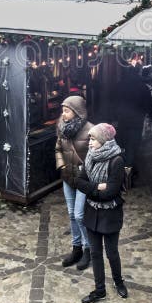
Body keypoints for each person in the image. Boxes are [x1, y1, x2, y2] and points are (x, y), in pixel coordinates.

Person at [75, 123, 128, 303]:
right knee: (96, 254)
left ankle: (118, 282)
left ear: (104, 140)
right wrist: (98, 187)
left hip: (110, 214)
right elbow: (79, 182)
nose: (90, 142)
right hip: (92, 212)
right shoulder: (90, 157)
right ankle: (100, 290)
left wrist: (92, 189)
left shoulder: (116, 160)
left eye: (93, 138)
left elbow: (111, 192)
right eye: (90, 138)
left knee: (111, 252)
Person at [54, 95, 94, 270]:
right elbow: (58, 148)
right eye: (63, 110)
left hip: (83, 179)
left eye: (67, 110)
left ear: (77, 111)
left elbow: (95, 156)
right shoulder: (62, 128)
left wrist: (85, 172)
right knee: (71, 214)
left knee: (79, 215)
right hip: (67, 178)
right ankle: (76, 248)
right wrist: (61, 165)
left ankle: (88, 249)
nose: (63, 114)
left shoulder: (91, 130)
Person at [113, 65, 152, 174]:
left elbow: (113, 102)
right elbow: (149, 104)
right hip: (136, 121)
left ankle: (126, 170)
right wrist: (151, 115)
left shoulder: (119, 85)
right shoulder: (142, 86)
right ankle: (128, 175)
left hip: (122, 120)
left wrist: (114, 116)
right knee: (132, 146)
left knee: (123, 145)